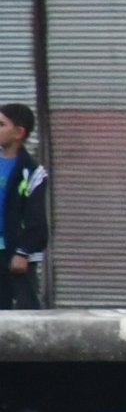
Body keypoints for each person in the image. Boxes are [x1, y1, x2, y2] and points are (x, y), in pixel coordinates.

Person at [0, 103, 48, 311]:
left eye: (1, 124)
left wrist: (23, 252)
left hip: (16, 256)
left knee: (25, 312)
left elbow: (36, 220)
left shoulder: (32, 172)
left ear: (19, 133)